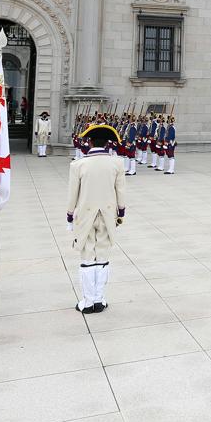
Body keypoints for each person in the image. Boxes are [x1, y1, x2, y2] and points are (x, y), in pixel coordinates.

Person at [66, 123, 127, 315]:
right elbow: (121, 191)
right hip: (108, 214)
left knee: (87, 257)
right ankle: (99, 299)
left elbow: (72, 194)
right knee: (102, 257)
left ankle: (88, 301)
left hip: (85, 215)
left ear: (89, 142)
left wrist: (69, 215)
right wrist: (121, 211)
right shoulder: (117, 163)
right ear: (107, 143)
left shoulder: (78, 164)